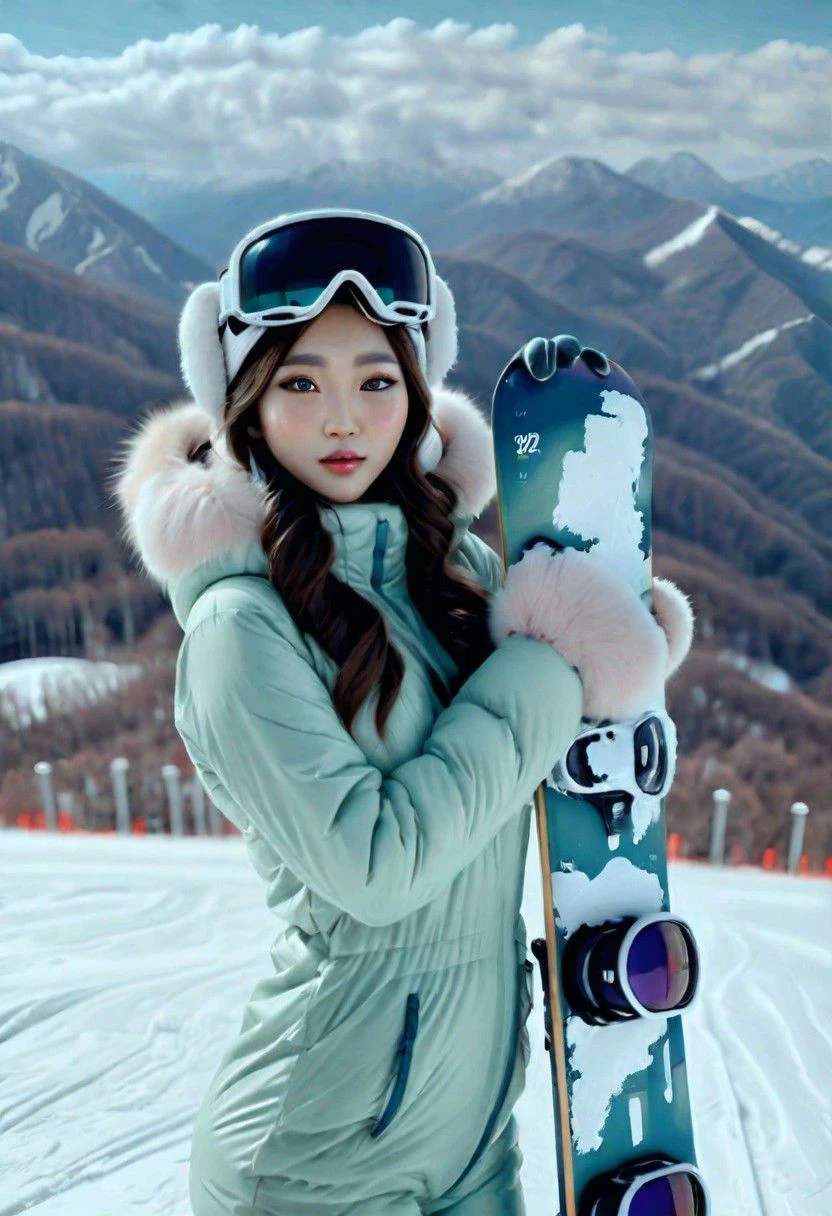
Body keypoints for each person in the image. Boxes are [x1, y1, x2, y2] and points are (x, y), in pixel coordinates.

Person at [112, 209, 694, 1215]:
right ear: (242, 402)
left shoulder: (448, 572)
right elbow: (375, 869)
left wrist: (615, 643)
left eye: (377, 381)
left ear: (418, 394)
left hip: (473, 1137)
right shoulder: (237, 633)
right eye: (300, 382)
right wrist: (555, 663)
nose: (344, 420)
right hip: (311, 1166)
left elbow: (526, 730)